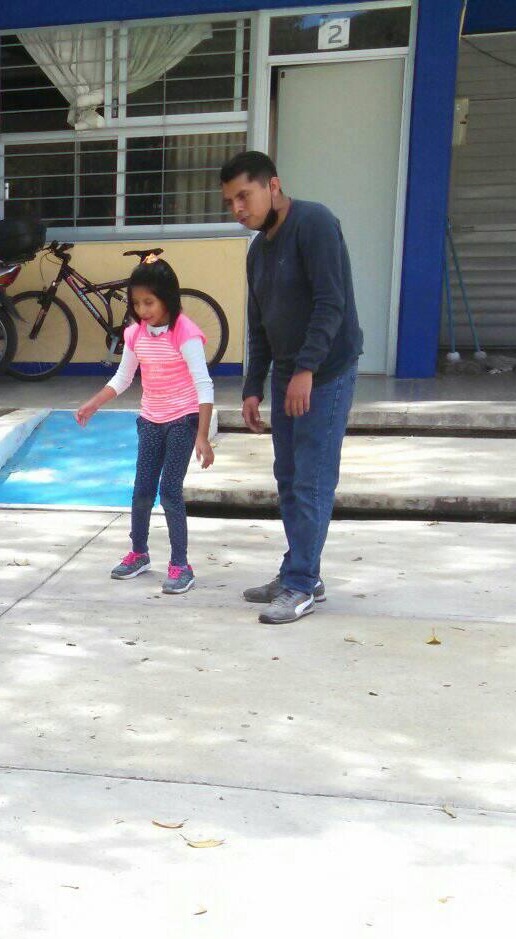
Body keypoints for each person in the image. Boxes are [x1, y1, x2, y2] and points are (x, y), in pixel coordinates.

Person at [220, 150, 362, 625]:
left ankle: (299, 585)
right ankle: (304, 572)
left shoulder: (315, 223)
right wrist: (252, 386)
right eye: (231, 202)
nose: (239, 208)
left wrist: (306, 369)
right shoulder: (257, 251)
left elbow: (330, 301)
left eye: (245, 196)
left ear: (273, 186)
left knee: (312, 480)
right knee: (287, 478)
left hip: (327, 372)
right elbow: (259, 324)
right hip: (287, 375)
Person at [76, 258, 215, 595]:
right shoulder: (135, 334)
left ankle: (181, 565)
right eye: (136, 303)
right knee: (141, 492)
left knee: (169, 492)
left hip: (182, 421)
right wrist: (94, 403)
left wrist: (203, 436)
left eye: (149, 302)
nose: (142, 310)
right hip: (150, 421)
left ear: (167, 297)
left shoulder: (186, 333)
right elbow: (123, 378)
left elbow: (204, 385)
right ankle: (139, 553)